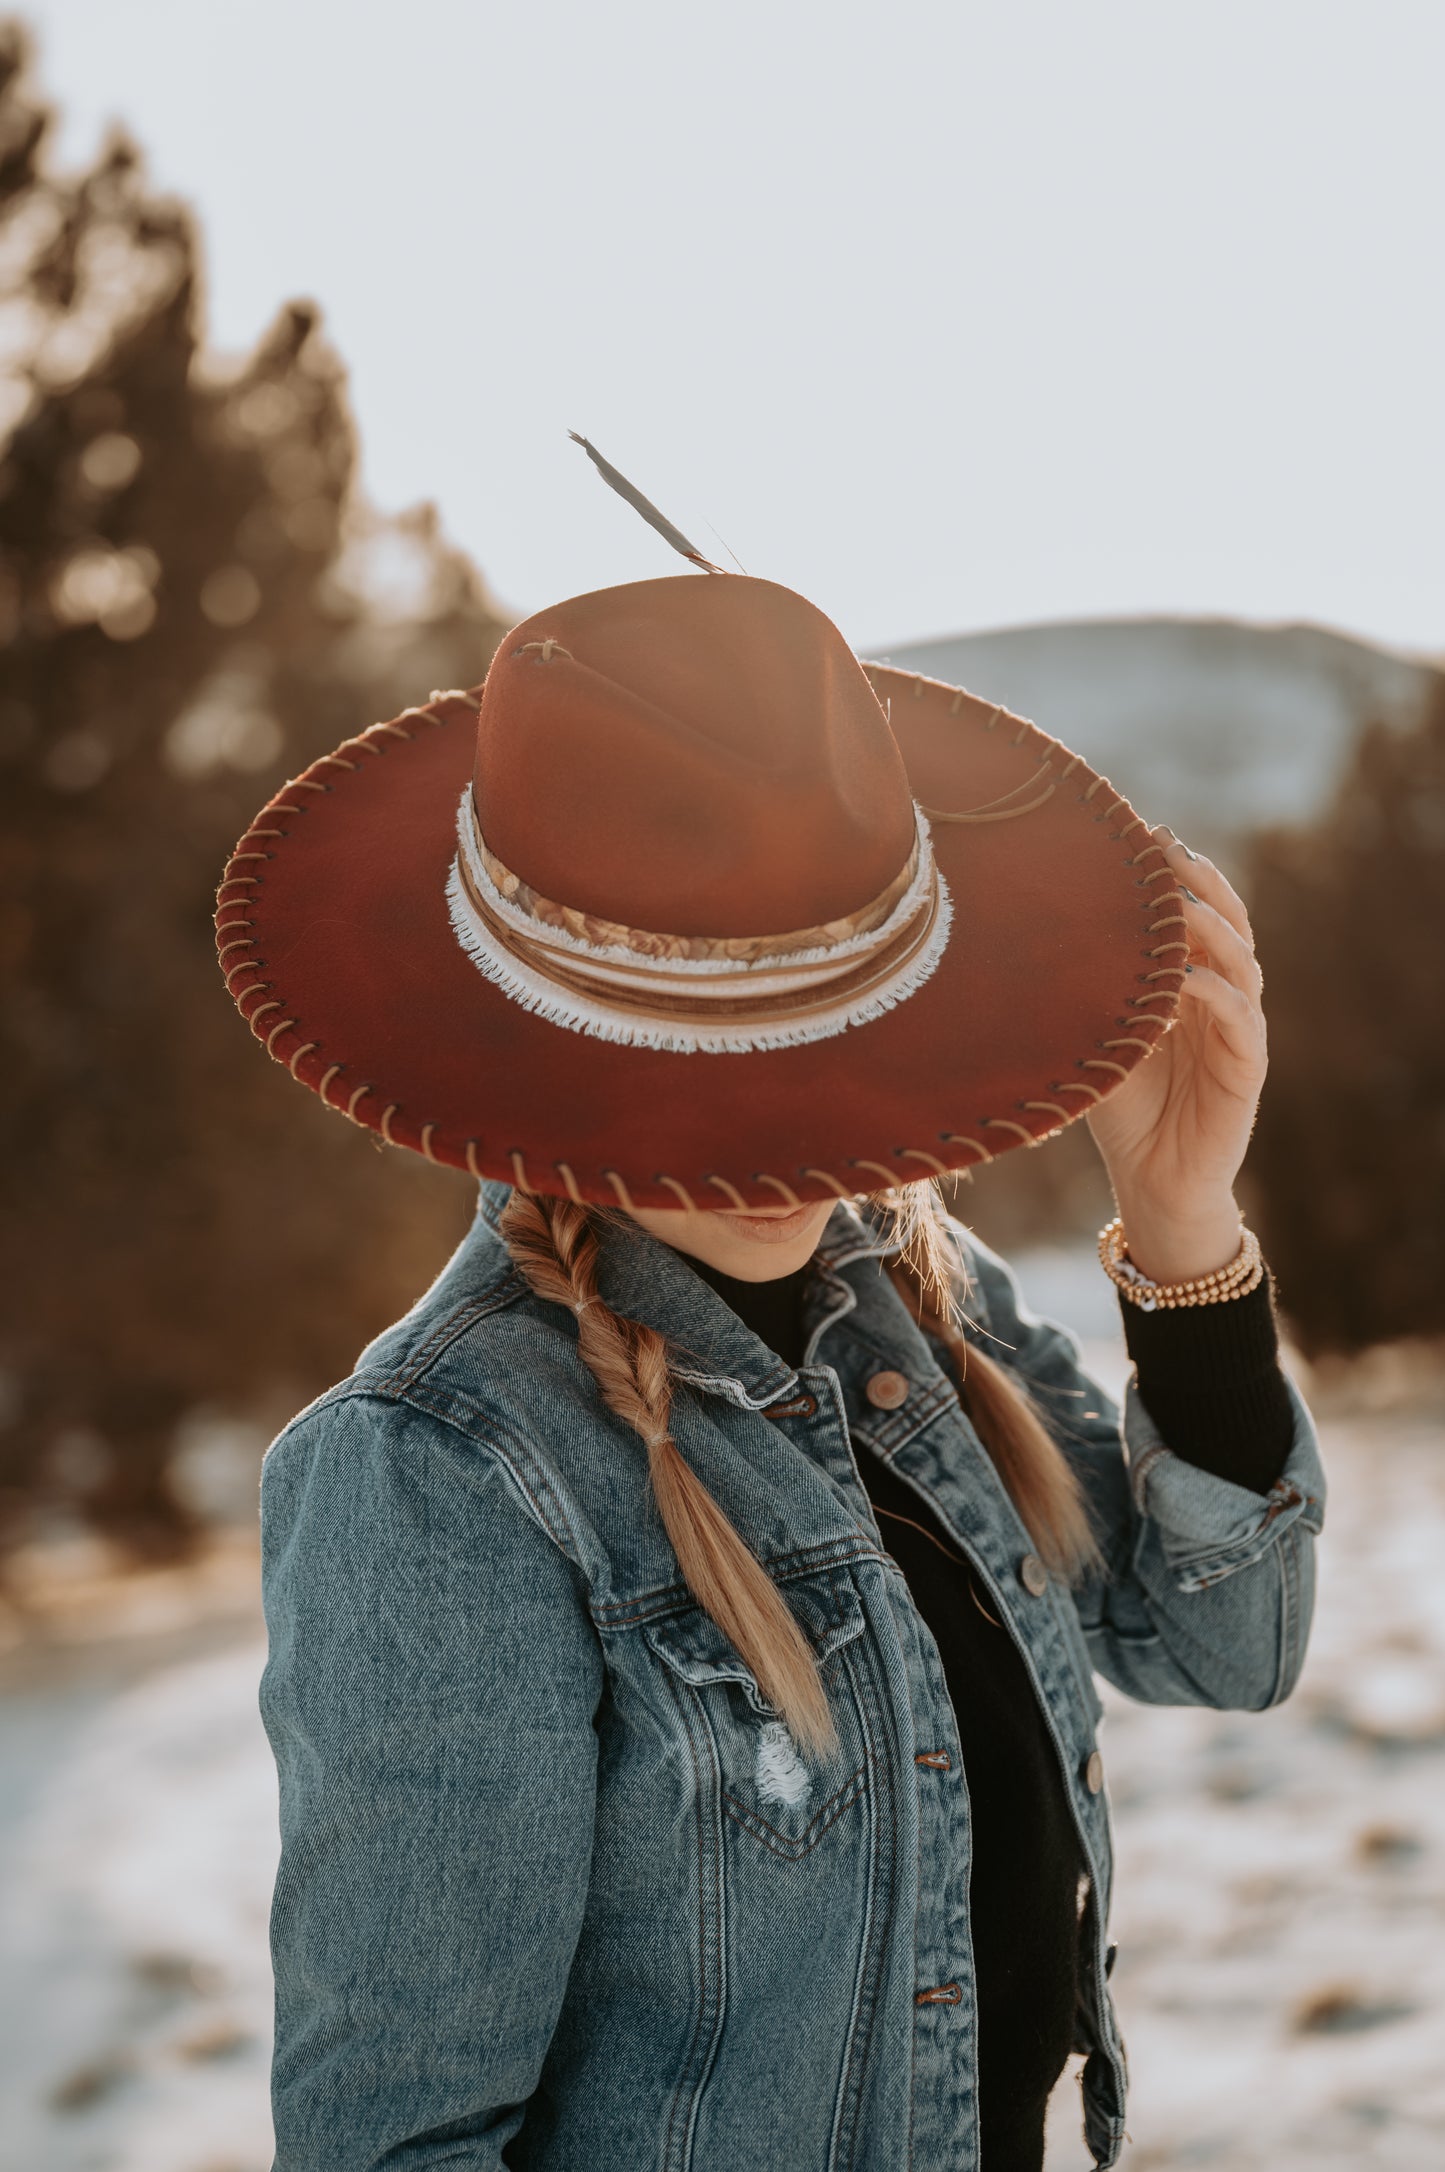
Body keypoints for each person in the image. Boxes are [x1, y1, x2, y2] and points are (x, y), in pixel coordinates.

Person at [219, 496, 1324, 2171]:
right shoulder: (437, 1478)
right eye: (687, 1067)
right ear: (532, 1048)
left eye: (801, 1047)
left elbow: (1217, 1646)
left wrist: (1181, 1232)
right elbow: (399, 2141)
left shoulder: (907, 1295)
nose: (760, 1145)